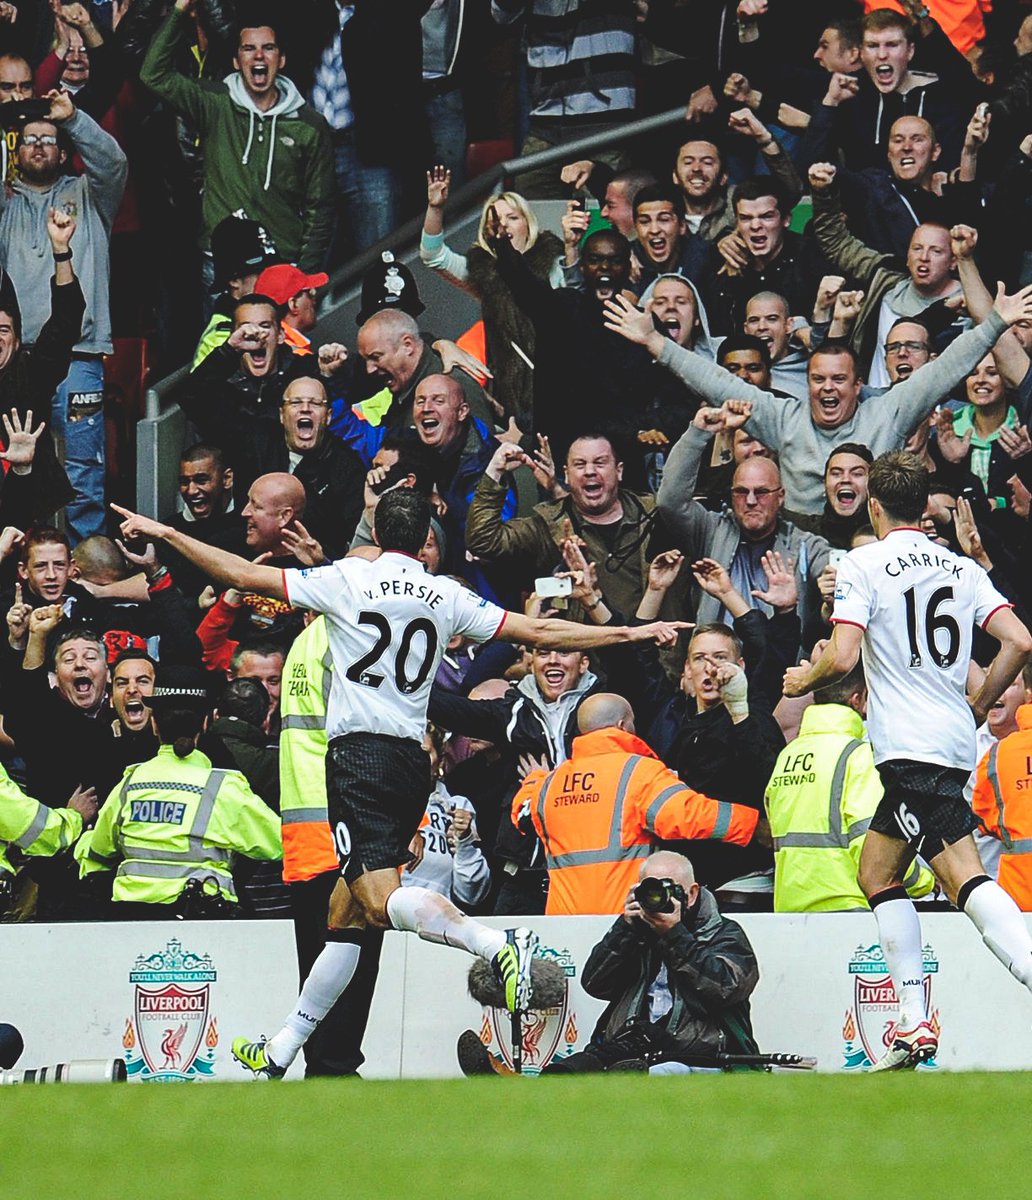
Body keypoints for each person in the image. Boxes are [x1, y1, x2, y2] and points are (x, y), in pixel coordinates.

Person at [111, 487, 688, 1078]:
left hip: (359, 759)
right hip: (413, 761)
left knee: (377, 902)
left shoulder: (347, 582)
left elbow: (236, 571)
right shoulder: (446, 594)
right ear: (424, 543)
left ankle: (495, 948)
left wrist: (169, 535)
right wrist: (628, 634)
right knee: (345, 916)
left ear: (376, 533)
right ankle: (282, 1049)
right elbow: (538, 634)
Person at [783, 450, 1032, 1070]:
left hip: (908, 746)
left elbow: (841, 658)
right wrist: (976, 704)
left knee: (966, 878)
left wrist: (798, 680)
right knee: (877, 873)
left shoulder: (862, 563)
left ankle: (944, 1010)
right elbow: (1019, 642)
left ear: (873, 504)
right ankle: (914, 1023)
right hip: (945, 743)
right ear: (925, 507)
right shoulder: (960, 567)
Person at [603, 283, 1032, 514]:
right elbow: (717, 381)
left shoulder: (888, 410)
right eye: (817, 379)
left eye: (839, 380)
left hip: (871, 541)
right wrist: (655, 341)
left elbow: (945, 368)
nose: (827, 389)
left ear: (859, 384)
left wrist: (995, 322)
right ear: (805, 383)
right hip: (801, 546)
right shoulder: (782, 417)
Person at [0, 89, 126, 541]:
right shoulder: (6, 202)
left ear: (65, 150)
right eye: (29, 138)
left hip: (79, 357)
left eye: (49, 139)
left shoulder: (90, 195)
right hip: (15, 365)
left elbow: (113, 162)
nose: (38, 145)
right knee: (15, 470)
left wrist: (73, 118)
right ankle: (26, 570)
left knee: (84, 470)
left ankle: (86, 577)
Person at [512, 694, 759, 916]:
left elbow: (522, 814)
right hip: (626, 917)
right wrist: (753, 824)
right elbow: (690, 815)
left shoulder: (550, 783)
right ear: (622, 726)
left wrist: (535, 780)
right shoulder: (638, 772)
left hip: (565, 920)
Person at [140, 1, 335, 273]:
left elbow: (321, 207)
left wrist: (304, 273)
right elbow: (153, 74)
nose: (258, 56)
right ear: (236, 61)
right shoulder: (215, 102)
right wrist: (179, 10)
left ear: (281, 60)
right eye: (248, 48)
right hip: (221, 263)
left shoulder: (309, 125)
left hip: (281, 266)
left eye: (268, 48)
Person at [75, 665, 282, 918]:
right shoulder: (223, 787)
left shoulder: (131, 783)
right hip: (202, 921)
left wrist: (83, 838)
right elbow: (278, 843)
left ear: (154, 724)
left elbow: (97, 853)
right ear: (205, 724)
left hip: (132, 921)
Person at [544, 850, 759, 1074]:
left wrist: (674, 935)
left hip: (702, 1056)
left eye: (668, 888)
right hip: (633, 1049)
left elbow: (726, 987)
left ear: (692, 893)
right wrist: (625, 929)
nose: (658, 898)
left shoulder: (724, 933)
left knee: (665, 1072)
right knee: (573, 1073)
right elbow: (595, 984)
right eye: (651, 888)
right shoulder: (636, 932)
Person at [765, 662, 932, 912]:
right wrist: (923, 881)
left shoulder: (788, 755)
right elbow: (873, 844)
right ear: (859, 698)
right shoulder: (859, 756)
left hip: (790, 909)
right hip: (850, 909)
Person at [657, 406, 830, 625]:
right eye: (741, 492)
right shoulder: (711, 530)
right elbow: (669, 501)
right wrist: (698, 433)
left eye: (761, 492)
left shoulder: (804, 544)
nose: (750, 501)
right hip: (714, 655)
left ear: (781, 496)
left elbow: (838, 567)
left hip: (781, 657)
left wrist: (834, 584)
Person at [420, 170, 562, 429]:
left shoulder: (552, 265)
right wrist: (435, 208)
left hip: (557, 389)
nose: (504, 224)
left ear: (527, 224)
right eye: (496, 219)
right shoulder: (485, 275)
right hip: (508, 400)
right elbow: (432, 255)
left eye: (512, 217)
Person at [971, 664, 1032, 910]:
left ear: (1028, 693)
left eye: (1008, 681)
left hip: (1013, 890)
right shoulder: (967, 745)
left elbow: (984, 819)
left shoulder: (997, 754)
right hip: (988, 892)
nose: (996, 688)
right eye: (989, 679)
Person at [254, 262, 329, 357]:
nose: (314, 300)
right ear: (293, 305)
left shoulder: (255, 349)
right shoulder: (299, 359)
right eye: (309, 294)